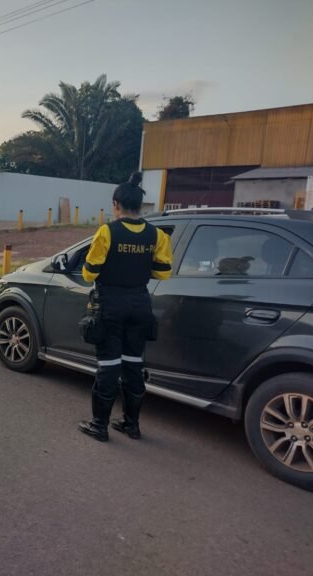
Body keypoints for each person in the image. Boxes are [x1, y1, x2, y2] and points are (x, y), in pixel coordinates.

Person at [78, 172, 173, 442]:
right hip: (140, 304)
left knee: (108, 366)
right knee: (133, 365)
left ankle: (99, 426)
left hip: (111, 304)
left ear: (116, 204)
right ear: (140, 206)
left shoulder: (108, 231)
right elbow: (163, 272)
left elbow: (89, 273)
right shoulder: (156, 234)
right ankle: (131, 424)